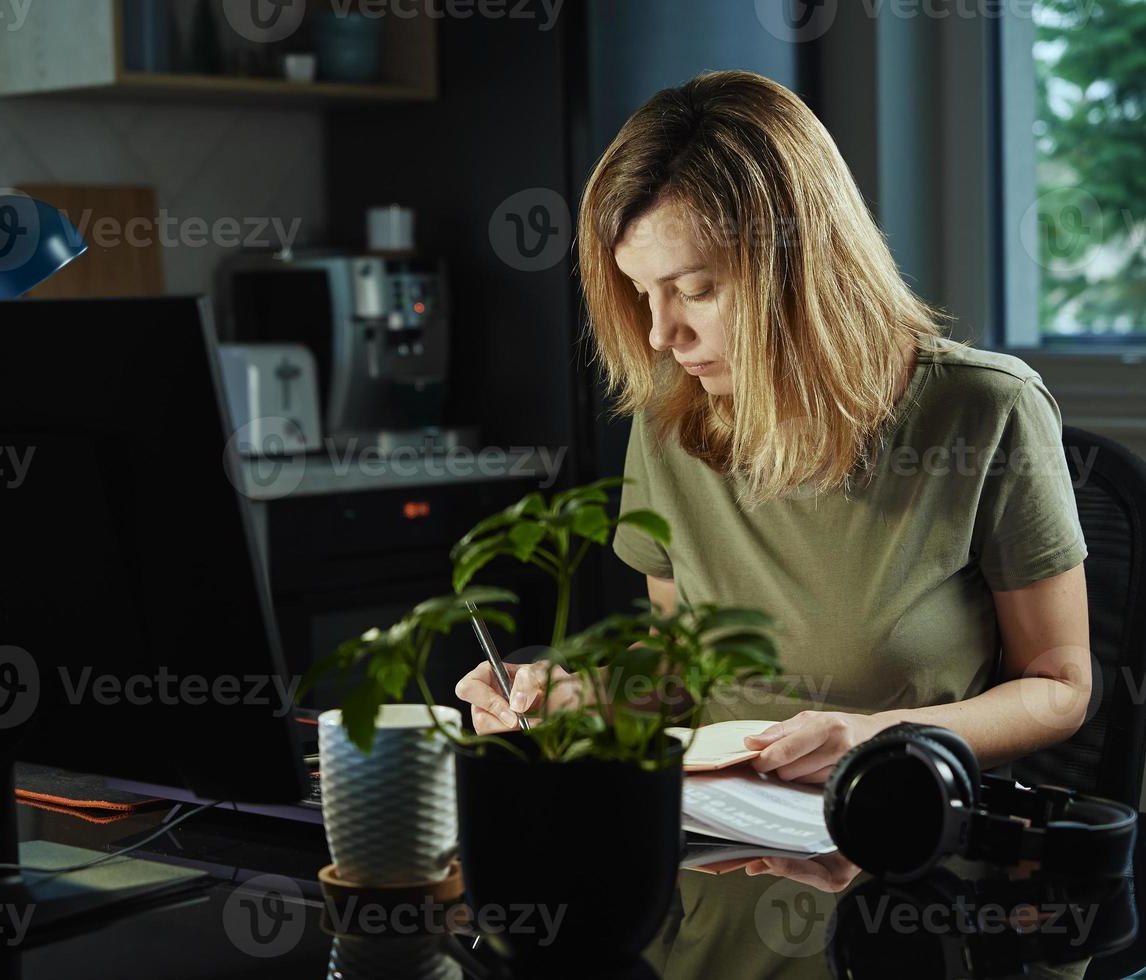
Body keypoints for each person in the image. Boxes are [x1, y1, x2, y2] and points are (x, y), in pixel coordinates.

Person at [455, 69, 1091, 785]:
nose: (661, 334)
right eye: (641, 293)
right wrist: (577, 695)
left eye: (695, 290)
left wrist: (875, 738)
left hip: (896, 838)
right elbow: (676, 671)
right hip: (713, 840)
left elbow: (1058, 687)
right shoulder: (672, 419)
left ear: (800, 266)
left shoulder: (986, 409)